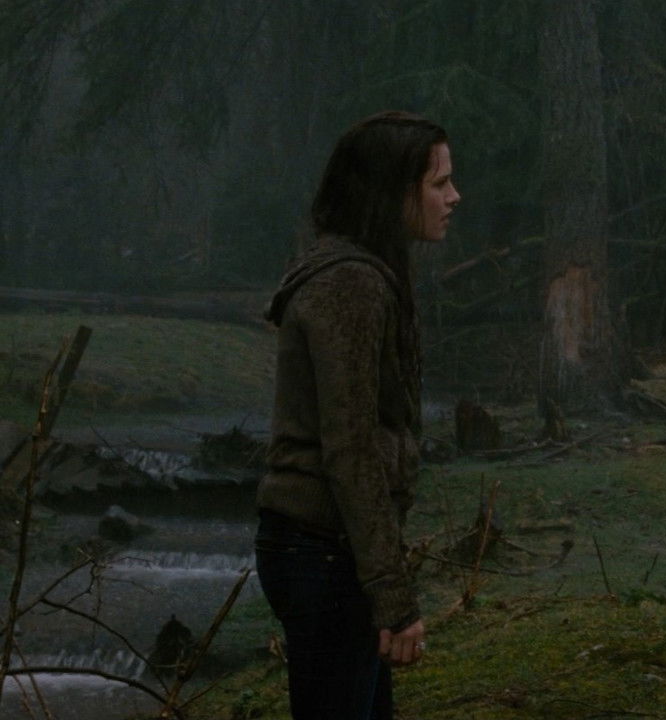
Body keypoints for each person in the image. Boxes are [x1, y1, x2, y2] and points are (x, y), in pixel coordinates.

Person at [254, 111, 460, 719]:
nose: (454, 196)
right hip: (322, 551)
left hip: (327, 550)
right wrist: (393, 597)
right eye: (438, 183)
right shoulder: (351, 284)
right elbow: (351, 448)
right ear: (393, 193)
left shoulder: (362, 274)